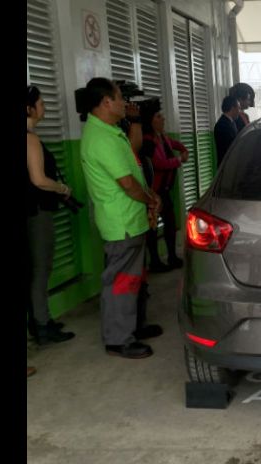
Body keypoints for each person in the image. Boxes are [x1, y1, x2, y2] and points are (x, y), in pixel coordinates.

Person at [79, 77, 162, 358]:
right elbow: (126, 183)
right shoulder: (101, 138)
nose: (124, 104)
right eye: (119, 99)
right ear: (106, 102)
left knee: (134, 278)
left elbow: (134, 173)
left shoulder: (111, 132)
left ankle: (134, 326)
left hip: (131, 220)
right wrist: (151, 199)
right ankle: (118, 338)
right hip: (121, 223)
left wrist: (149, 195)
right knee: (121, 281)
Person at [26, 85, 76, 345]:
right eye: (41, 104)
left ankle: (38, 322)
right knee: (41, 270)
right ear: (29, 108)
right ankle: (43, 325)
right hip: (36, 213)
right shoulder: (30, 139)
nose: (44, 108)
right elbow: (38, 179)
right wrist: (62, 187)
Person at [140, 105, 189, 272]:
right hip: (154, 191)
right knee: (153, 227)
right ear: (150, 121)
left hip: (165, 189)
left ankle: (172, 256)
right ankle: (154, 261)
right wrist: (179, 160)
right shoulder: (147, 140)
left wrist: (183, 149)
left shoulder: (161, 137)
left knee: (170, 223)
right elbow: (157, 164)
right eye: (158, 116)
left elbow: (174, 144)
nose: (163, 119)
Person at [214, 95, 240, 166]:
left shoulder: (231, 122)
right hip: (226, 165)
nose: (239, 111)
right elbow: (230, 146)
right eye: (238, 108)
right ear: (233, 108)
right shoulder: (222, 125)